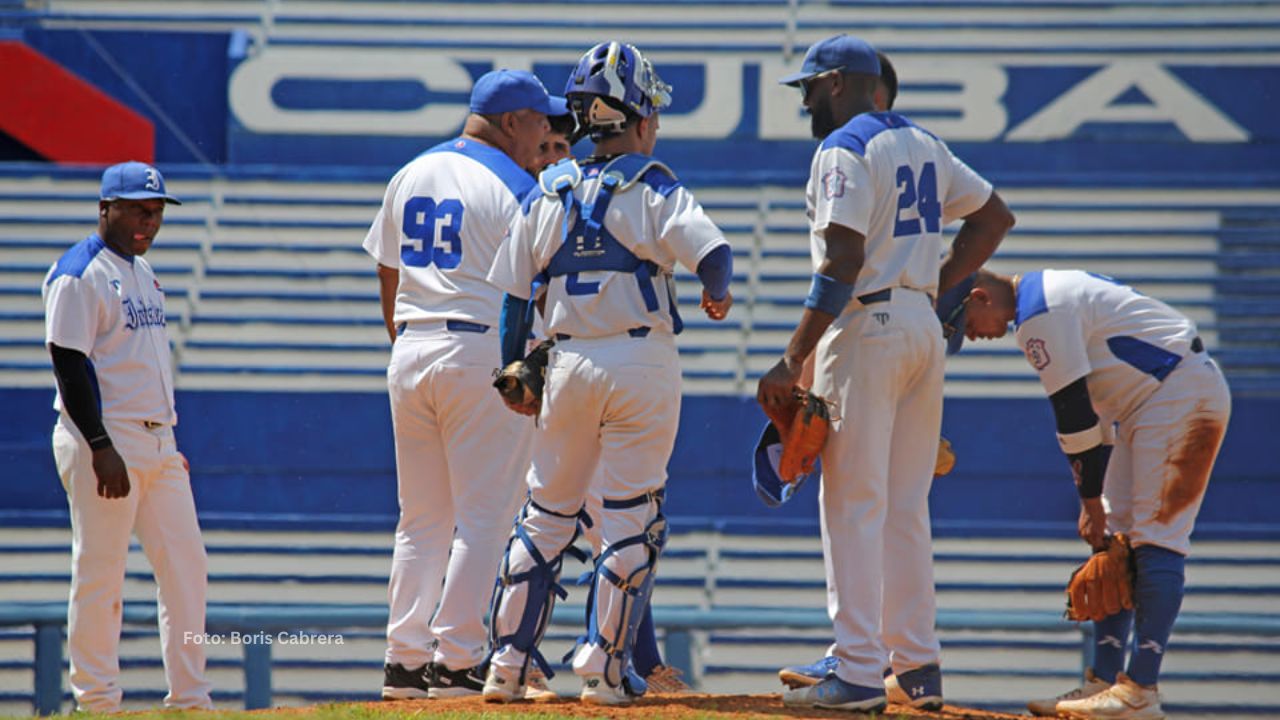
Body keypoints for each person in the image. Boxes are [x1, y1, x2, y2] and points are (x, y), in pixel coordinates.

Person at [759, 34, 1014, 712]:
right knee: (904, 509)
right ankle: (916, 666)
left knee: (853, 505)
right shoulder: (924, 142)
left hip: (868, 326)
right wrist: (935, 285)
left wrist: (792, 356)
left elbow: (841, 260)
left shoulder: (842, 148)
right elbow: (994, 219)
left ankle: (859, 674)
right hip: (920, 330)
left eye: (811, 86)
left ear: (841, 83)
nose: (807, 100)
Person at [482, 41, 733, 706]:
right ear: (639, 119)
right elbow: (713, 252)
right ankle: (606, 672)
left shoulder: (551, 186)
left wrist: (516, 365)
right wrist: (717, 292)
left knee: (544, 516)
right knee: (630, 520)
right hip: (639, 361)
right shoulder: (653, 184)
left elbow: (514, 291)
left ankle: (505, 667)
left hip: (566, 363)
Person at [362, 69, 563, 700]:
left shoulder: (410, 171)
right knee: (485, 515)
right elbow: (541, 286)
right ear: (510, 123)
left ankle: (403, 660)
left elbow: (386, 269)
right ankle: (454, 659)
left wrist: (406, 340)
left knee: (420, 518)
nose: (547, 132)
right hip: (478, 347)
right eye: (539, 121)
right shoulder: (515, 184)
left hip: (413, 345)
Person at [955, 268, 1230, 719]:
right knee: (1115, 541)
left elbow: (1072, 411)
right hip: (1152, 399)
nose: (969, 335)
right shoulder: (1046, 297)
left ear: (980, 297)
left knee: (1158, 537)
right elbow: (1092, 404)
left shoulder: (1038, 313)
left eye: (962, 322)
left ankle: (1141, 689)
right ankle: (1104, 684)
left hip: (1179, 394)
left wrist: (1089, 503)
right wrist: (1096, 502)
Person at [521, 96, 690, 699]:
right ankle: (547, 660)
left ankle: (626, 657)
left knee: (592, 527)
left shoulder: (562, 195)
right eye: (545, 144)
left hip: (568, 378)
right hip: (558, 377)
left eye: (563, 142)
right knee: (599, 525)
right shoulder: (545, 198)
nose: (556, 152)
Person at [43, 161, 212, 713]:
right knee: (100, 571)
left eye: (157, 210)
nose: (149, 220)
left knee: (187, 569)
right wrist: (99, 447)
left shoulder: (143, 271)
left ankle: (190, 697)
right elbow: (69, 366)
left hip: (157, 443)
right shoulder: (78, 272)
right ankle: (97, 701)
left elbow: (145, 365)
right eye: (138, 209)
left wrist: (166, 442)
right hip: (105, 440)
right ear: (105, 208)